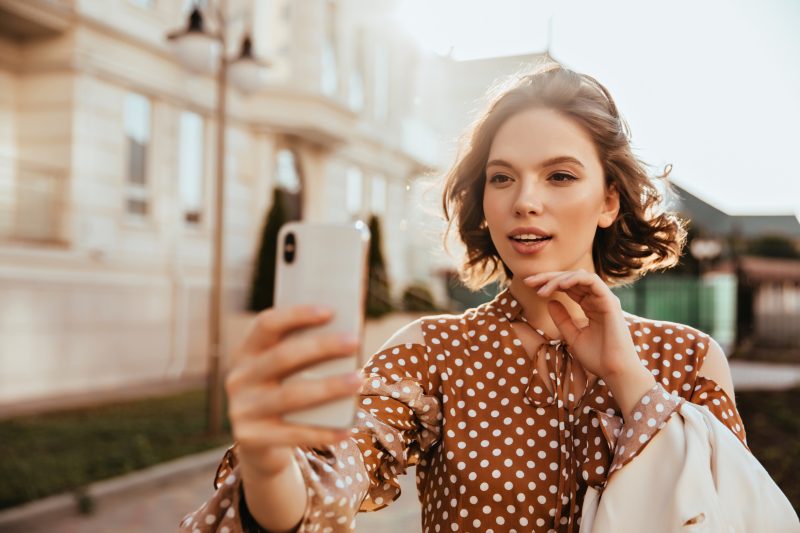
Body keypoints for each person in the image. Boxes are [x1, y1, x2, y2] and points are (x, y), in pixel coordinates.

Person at [179, 64, 750, 533]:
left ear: (609, 202)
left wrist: (628, 377)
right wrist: (268, 459)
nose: (524, 201)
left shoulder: (690, 359)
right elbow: (330, 482)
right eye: (502, 178)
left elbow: (728, 511)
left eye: (559, 176)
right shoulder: (434, 351)